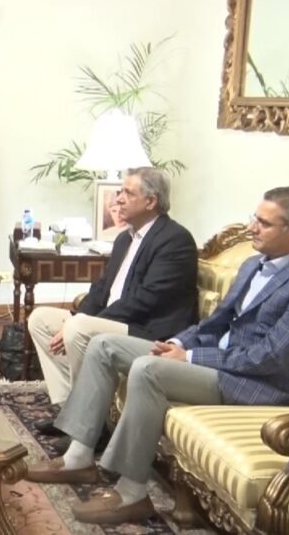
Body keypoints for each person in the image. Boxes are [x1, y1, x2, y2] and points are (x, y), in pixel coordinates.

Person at [26, 186, 289, 525]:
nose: (251, 228)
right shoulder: (252, 264)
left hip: (257, 384)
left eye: (264, 223)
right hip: (218, 361)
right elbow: (216, 322)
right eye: (253, 218)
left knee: (149, 370)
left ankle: (131, 493)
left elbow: (272, 357)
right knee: (104, 345)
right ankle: (79, 458)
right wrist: (174, 343)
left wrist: (192, 357)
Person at [28, 168, 198, 438]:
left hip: (148, 331)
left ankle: (90, 426)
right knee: (40, 319)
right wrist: (77, 318)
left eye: (127, 193)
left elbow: (146, 300)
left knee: (79, 328)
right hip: (117, 320)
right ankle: (68, 409)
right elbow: (100, 289)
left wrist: (87, 322)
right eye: (120, 191)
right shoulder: (124, 238)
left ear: (150, 201)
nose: (118, 199)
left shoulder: (174, 240)